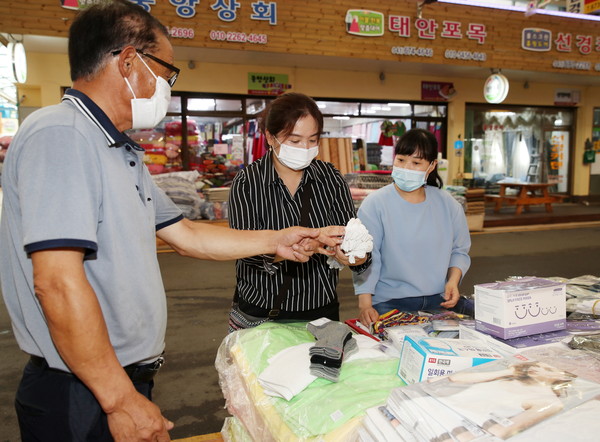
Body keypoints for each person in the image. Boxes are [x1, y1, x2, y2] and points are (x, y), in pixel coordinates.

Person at [0, 2, 343, 441]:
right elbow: (57, 282)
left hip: (111, 378)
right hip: (82, 386)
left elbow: (188, 235)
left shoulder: (119, 151)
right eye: (166, 72)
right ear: (128, 62)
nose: (166, 86)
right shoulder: (63, 135)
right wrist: (120, 401)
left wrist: (277, 240)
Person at [227, 92, 371, 331]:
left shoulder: (330, 179)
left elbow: (351, 236)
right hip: (261, 312)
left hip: (320, 313)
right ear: (270, 138)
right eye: (294, 141)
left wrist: (356, 255)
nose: (305, 148)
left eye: (312, 140)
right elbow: (246, 251)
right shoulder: (247, 182)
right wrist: (302, 246)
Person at [353, 128, 471, 325]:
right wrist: (365, 304)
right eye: (401, 160)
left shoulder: (448, 204)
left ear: (432, 165)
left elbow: (459, 250)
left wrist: (453, 281)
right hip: (389, 303)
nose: (406, 167)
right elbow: (368, 257)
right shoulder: (375, 204)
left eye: (416, 163)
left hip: (439, 301)